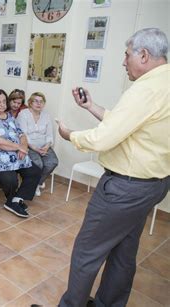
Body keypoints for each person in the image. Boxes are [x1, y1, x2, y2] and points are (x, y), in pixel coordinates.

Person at [56, 28, 169, 307]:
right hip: (152, 185)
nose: (123, 61)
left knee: (87, 251)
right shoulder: (165, 83)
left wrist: (71, 135)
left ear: (143, 55)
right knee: (123, 251)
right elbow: (126, 124)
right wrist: (91, 107)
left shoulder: (146, 89)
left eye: (127, 54)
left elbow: (106, 137)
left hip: (124, 188)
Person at [0, 89, 41, 218]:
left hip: (15, 154)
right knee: (11, 180)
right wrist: (18, 147)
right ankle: (12, 200)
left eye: (4, 101)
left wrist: (24, 147)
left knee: (35, 171)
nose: (2, 104)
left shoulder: (10, 117)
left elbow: (21, 134)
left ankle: (15, 200)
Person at [16, 92, 58, 197]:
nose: (39, 104)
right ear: (30, 103)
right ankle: (33, 185)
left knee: (52, 162)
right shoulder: (23, 114)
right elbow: (23, 134)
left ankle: (37, 183)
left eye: (41, 101)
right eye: (36, 101)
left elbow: (49, 134)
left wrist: (47, 146)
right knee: (38, 164)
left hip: (44, 146)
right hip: (28, 145)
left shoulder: (46, 116)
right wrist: (34, 147)